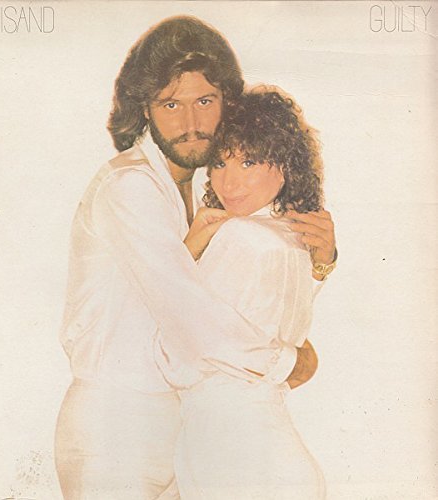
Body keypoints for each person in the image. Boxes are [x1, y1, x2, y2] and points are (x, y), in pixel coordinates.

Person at [54, 16, 336, 499]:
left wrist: (320, 261)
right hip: (118, 426)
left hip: (188, 427)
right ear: (145, 110)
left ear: (227, 100)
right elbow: (191, 315)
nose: (190, 124)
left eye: (204, 100)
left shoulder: (213, 192)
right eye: (171, 104)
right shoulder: (131, 185)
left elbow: (251, 298)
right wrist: (286, 363)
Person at [175, 88, 329, 499]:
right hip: (259, 443)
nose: (229, 181)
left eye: (249, 162)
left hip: (232, 448)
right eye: (220, 162)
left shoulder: (242, 235)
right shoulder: (294, 237)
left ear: (285, 165)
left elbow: (182, 346)